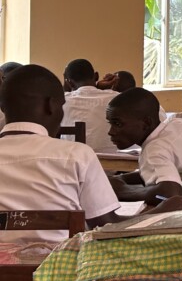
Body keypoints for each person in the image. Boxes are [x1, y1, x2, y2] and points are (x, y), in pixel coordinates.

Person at [0, 64, 123, 242]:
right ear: (51, 105)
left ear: (3, 108)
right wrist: (157, 214)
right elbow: (105, 226)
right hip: (60, 259)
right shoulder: (77, 155)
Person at [106, 87, 182, 205]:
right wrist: (122, 179)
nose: (111, 132)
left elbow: (169, 194)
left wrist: (122, 190)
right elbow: (171, 171)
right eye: (110, 123)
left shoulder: (153, 150)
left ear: (146, 123)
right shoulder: (179, 124)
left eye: (118, 124)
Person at [61, 58, 121, 153]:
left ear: (69, 83)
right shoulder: (116, 97)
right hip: (111, 159)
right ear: (96, 76)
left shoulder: (62, 101)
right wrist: (100, 88)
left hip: (74, 158)